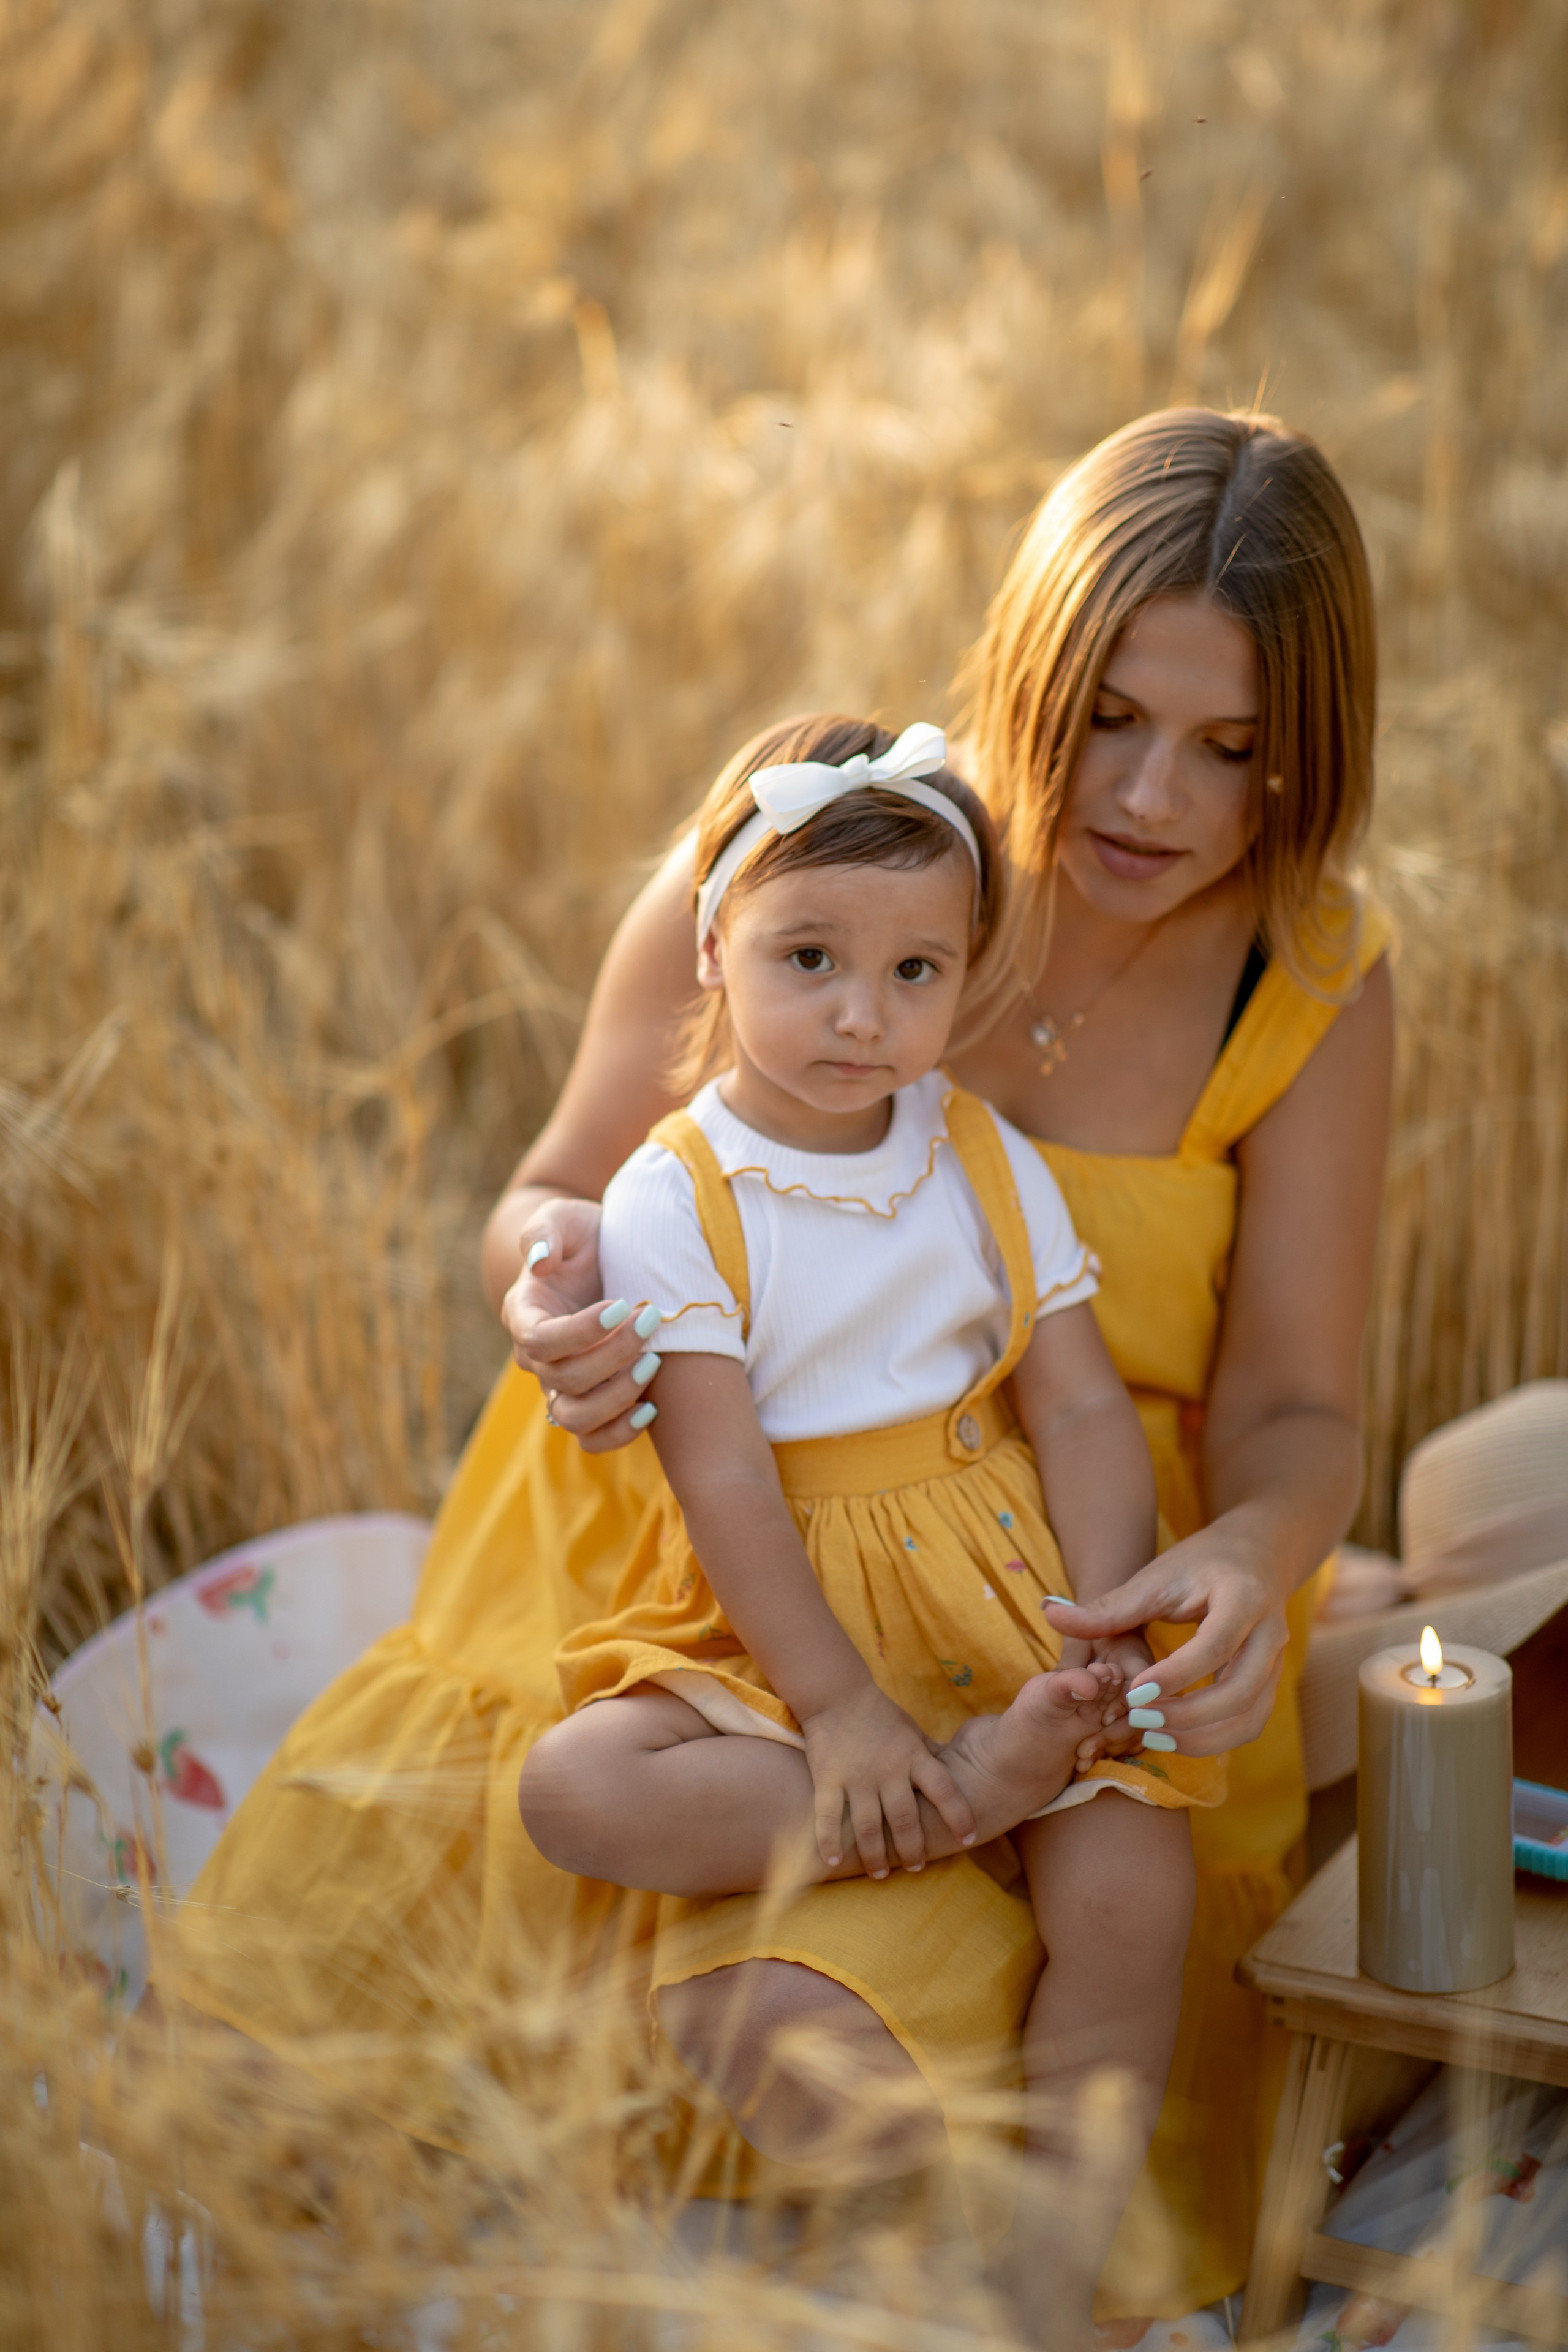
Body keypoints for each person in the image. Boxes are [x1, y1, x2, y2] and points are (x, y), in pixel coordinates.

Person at [166, 407, 1393, 2321]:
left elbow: (1300, 1407)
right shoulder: (825, 844)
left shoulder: (1303, 976)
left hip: (1048, 1588)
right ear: (1026, 669)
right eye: (1108, 723)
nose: (1155, 798)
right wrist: (551, 1288)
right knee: (411, 2027)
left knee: (1118, 1968)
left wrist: (1244, 1557)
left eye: (1232, 753)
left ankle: (987, 1963)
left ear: (1306, 756)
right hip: (695, 1547)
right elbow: (558, 1193)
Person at [519, 709, 1227, 2324]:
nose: (862, 1014)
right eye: (811, 959)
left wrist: (1106, 1619)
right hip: (791, 1606)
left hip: (996, 1575)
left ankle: (1060, 2244)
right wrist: (837, 1709)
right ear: (715, 950)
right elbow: (721, 1474)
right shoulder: (672, 1190)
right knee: (576, 1786)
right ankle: (949, 1800)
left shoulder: (973, 1147)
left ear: (966, 977)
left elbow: (1079, 1403)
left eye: (917, 973)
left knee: (1135, 1881)